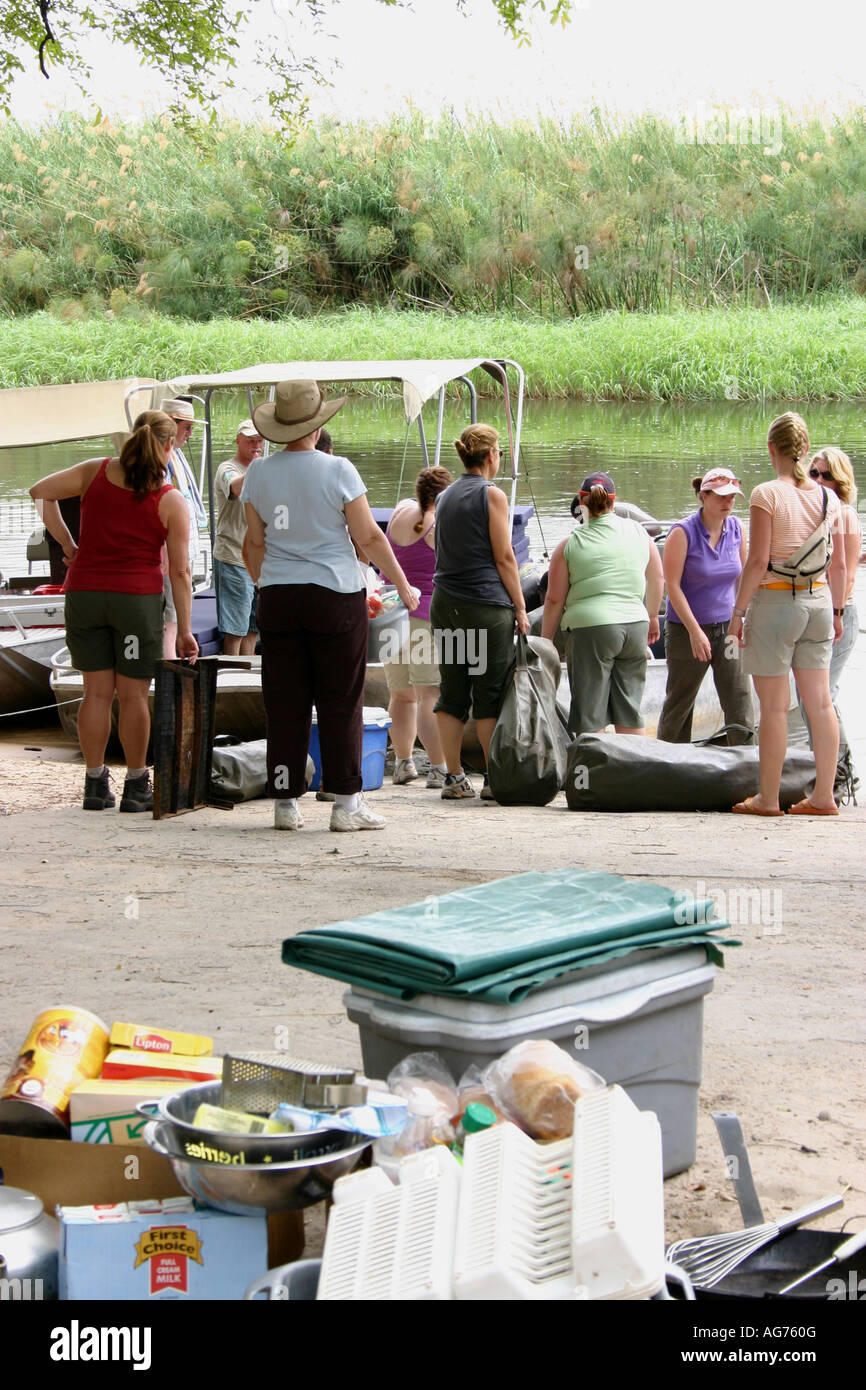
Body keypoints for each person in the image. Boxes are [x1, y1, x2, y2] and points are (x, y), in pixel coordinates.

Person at [241, 379, 420, 832]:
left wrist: (268, 584)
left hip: (279, 599)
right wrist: (402, 582)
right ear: (318, 427)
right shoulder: (339, 469)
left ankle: (284, 801)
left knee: (285, 701)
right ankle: (345, 804)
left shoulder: (258, 474)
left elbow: (253, 545)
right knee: (341, 700)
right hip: (334, 597)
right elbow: (368, 537)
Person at [30, 411, 199, 812]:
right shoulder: (169, 499)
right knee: (134, 695)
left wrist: (69, 547)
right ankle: (137, 785)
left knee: (96, 694)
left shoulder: (95, 472)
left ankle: (94, 783)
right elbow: (179, 571)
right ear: (169, 446)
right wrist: (187, 629)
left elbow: (40, 490)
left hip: (85, 596)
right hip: (136, 603)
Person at [727, 412, 846, 816]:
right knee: (821, 705)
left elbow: (758, 560)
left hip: (777, 605)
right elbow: (832, 561)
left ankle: (768, 798)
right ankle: (824, 796)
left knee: (775, 709)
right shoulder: (828, 497)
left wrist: (738, 613)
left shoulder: (766, 494)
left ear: (771, 448)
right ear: (806, 449)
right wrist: (837, 609)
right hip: (818, 603)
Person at [430, 424, 530, 802]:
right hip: (485, 608)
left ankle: (453, 777)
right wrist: (520, 607)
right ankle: (492, 778)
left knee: (453, 690)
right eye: (500, 451)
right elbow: (505, 557)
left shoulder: (445, 496)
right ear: (490, 456)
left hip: (448, 605)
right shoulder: (492, 494)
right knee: (489, 694)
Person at [542, 472, 664, 737]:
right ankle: (634, 773)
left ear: (582, 501)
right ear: (613, 500)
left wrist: (546, 641)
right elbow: (657, 578)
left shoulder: (570, 544)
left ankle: (595, 776)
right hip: (635, 627)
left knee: (591, 713)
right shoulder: (640, 533)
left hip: (591, 630)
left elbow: (553, 600)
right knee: (629, 711)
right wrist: (653, 616)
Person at [657, 468, 754, 744]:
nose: (728, 503)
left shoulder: (737, 528)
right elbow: (671, 586)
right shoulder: (682, 532)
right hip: (686, 629)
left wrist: (743, 619)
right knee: (680, 702)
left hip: (728, 626)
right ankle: (669, 769)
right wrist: (694, 631)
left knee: (739, 698)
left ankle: (746, 770)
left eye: (733, 497)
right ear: (704, 496)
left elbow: (744, 577)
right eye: (722, 497)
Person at [379, 467, 453, 788]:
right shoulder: (437, 526)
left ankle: (403, 762)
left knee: (400, 694)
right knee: (429, 694)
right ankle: (438, 768)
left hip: (387, 613)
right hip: (422, 615)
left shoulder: (399, 512)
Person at [797, 447, 862, 800]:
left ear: (841, 480)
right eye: (815, 473)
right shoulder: (821, 512)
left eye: (827, 475)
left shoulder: (846, 515)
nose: (820, 480)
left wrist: (835, 613)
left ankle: (836, 774)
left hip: (840, 615)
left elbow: (846, 573)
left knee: (819, 697)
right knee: (813, 697)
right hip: (819, 612)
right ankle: (837, 771)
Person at [160, 398, 207, 657]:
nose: (189, 433)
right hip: (168, 552)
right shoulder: (161, 461)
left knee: (174, 617)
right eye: (186, 427)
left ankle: (170, 668)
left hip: (181, 550)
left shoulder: (175, 455)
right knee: (170, 619)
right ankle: (168, 674)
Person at [213, 419, 264, 655]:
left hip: (258, 561)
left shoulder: (264, 468)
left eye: (259, 440)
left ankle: (247, 676)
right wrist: (261, 467)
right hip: (233, 557)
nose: (255, 444)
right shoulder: (228, 468)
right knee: (236, 629)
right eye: (250, 440)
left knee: (254, 626)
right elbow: (236, 488)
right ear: (238, 441)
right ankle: (230, 678)